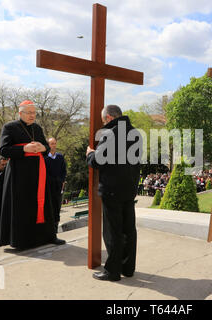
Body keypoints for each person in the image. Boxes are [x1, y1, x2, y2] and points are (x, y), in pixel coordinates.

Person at [0, 100, 65, 249]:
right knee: (22, 205)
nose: (32, 115)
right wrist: (24, 149)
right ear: (20, 113)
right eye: (29, 112)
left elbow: (46, 148)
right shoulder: (9, 127)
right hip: (19, 173)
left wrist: (43, 148)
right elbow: (3, 150)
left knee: (43, 203)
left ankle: (48, 236)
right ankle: (21, 241)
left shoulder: (37, 128)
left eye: (34, 113)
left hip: (38, 172)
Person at [86, 105, 142, 281]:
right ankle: (128, 268)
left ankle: (112, 271)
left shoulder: (110, 134)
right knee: (129, 230)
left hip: (112, 189)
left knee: (113, 232)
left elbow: (98, 161)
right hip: (129, 188)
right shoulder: (136, 133)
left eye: (104, 121)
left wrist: (90, 154)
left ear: (109, 118)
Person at [44, 137, 67, 235]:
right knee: (49, 210)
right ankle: (48, 232)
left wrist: (61, 181)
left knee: (57, 210)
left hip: (58, 188)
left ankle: (55, 232)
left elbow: (64, 171)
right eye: (51, 144)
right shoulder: (44, 158)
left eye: (54, 143)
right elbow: (45, 173)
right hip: (48, 188)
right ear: (48, 145)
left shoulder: (60, 157)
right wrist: (54, 181)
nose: (53, 145)